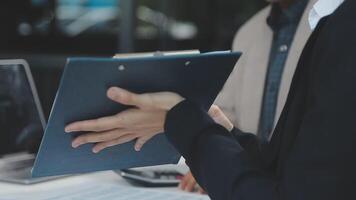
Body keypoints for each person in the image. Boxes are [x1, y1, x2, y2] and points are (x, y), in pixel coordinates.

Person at [66, 0, 356, 199]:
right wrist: (215, 131)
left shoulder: (344, 29)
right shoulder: (332, 22)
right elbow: (294, 171)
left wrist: (187, 124)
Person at [181, 0, 316, 192]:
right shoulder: (248, 32)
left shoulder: (335, 25)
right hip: (250, 183)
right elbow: (228, 113)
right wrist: (209, 159)